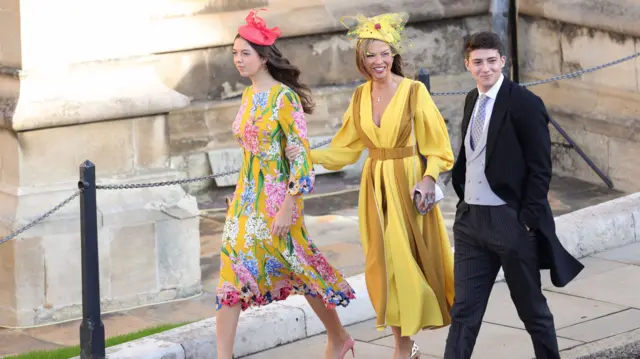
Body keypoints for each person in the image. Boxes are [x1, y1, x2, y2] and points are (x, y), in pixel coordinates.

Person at [286, 12, 455, 359]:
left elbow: (439, 148)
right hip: (375, 188)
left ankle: (403, 348)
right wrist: (304, 153)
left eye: (384, 53)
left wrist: (427, 178)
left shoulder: (414, 92)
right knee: (384, 266)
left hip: (408, 186)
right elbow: (345, 150)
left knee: (406, 264)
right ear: (361, 59)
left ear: (394, 54)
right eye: (370, 55)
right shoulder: (360, 96)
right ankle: (404, 344)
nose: (379, 61)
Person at [215, 9, 357, 359]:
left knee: (298, 268)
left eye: (245, 53)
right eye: (235, 53)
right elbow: (250, 154)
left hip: (279, 200)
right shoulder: (248, 96)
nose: (238, 59)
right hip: (246, 201)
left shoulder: (284, 98)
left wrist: (290, 205)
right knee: (231, 269)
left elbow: (301, 158)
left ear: (263, 58)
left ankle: (339, 337)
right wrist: (238, 197)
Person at [444, 31, 585, 359]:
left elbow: (540, 168)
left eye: (492, 61)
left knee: (532, 310)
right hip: (470, 222)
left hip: (509, 222)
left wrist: (525, 220)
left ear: (503, 62)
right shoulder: (471, 99)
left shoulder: (524, 103)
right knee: (464, 312)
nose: (485, 68)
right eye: (477, 62)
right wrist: (464, 200)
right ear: (467, 64)